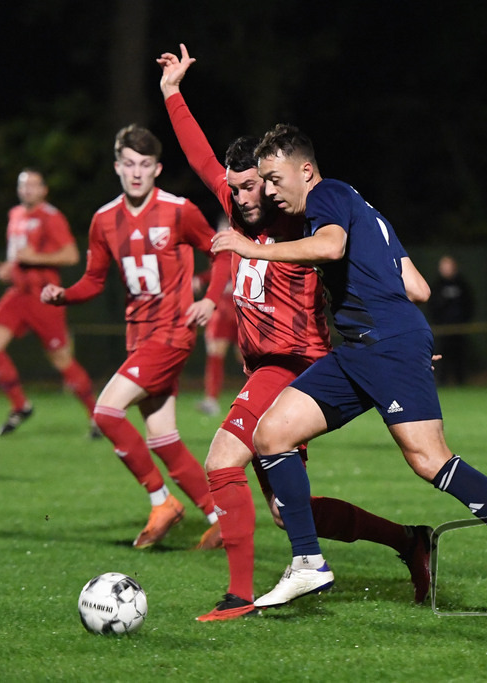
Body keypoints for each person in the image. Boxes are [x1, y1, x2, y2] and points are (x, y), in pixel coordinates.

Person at [211, 123, 487, 613]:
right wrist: (412, 340)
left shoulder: (326, 196)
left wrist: (256, 249)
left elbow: (332, 247)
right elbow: (417, 287)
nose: (269, 191)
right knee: (271, 435)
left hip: (384, 346)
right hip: (366, 350)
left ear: (305, 171)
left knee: (430, 459)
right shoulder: (363, 207)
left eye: (274, 178)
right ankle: (309, 562)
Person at [159, 45, 433, 621]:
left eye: (249, 186)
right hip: (264, 367)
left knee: (221, 461)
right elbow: (200, 154)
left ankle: (239, 597)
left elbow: (362, 256)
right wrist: (172, 93)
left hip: (296, 363)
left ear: (270, 180)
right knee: (290, 510)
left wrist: (402, 341)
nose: (238, 197)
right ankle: (410, 541)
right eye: (231, 189)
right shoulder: (239, 207)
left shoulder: (301, 216)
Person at [42, 124, 231, 549]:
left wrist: (212, 300)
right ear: (117, 167)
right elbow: (93, 280)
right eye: (129, 164)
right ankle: (220, 518)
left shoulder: (179, 210)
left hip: (171, 333)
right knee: (163, 437)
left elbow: (222, 250)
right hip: (139, 337)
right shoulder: (104, 220)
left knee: (107, 413)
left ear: (157, 169)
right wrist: (63, 296)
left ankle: (162, 501)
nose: (136, 173)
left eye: (145, 165)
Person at [0, 168, 98, 437]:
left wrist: (36, 259)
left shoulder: (51, 217)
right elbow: (17, 256)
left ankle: (96, 415)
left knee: (61, 360)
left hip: (44, 296)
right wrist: (8, 270)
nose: (27, 190)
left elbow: (70, 256)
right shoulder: (15, 215)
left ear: (44, 190)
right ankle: (20, 406)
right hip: (18, 293)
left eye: (33, 185)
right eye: (23, 185)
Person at [192, 221, 241, 417]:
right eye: (221, 230)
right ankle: (211, 400)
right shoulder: (217, 252)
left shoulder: (246, 246)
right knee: (215, 353)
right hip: (224, 310)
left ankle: (264, 399)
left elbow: (226, 270)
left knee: (249, 358)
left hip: (241, 309)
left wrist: (201, 278)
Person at [429, 254, 474, 385]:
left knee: (459, 357)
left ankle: (461, 381)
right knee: (441, 357)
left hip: (459, 329)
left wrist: (464, 321)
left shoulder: (462, 285)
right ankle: (441, 382)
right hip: (442, 330)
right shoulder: (436, 286)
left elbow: (469, 304)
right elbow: (432, 306)